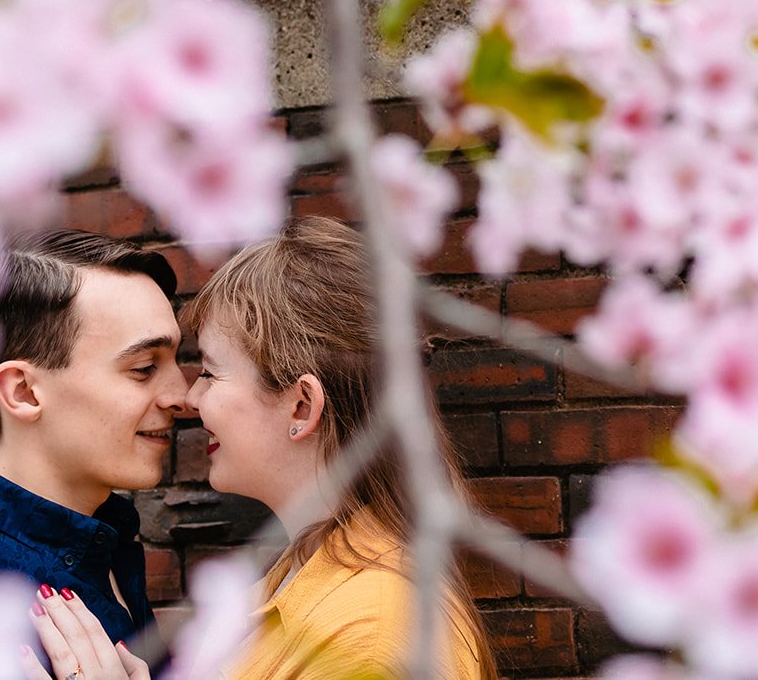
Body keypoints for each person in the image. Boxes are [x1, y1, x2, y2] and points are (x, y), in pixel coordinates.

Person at [25, 217, 497, 680]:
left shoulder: (372, 631)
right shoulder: (298, 580)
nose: (190, 398)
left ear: (301, 407)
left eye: (210, 372)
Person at [0, 229, 189, 652]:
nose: (180, 396)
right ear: (22, 391)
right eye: (144, 367)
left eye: (175, 360)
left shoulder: (107, 545)